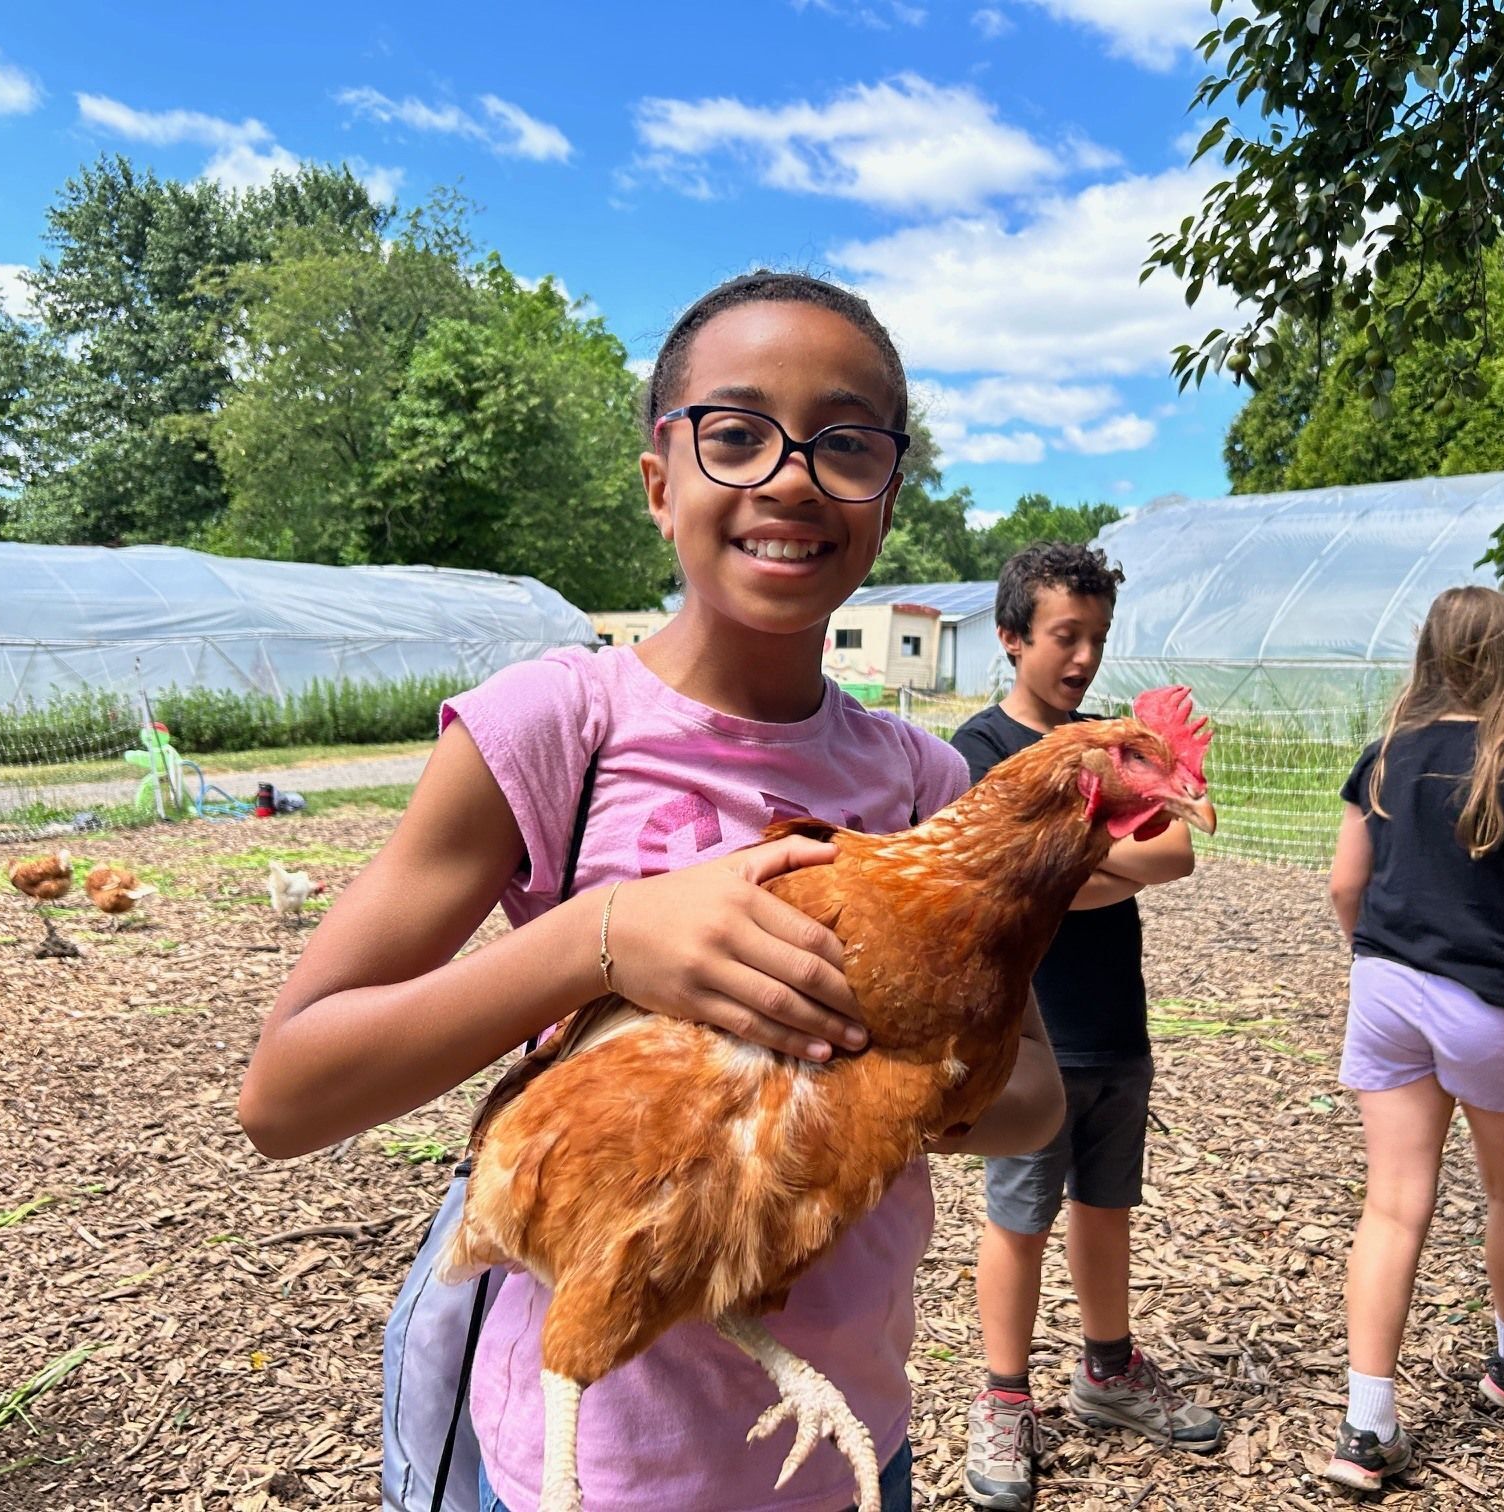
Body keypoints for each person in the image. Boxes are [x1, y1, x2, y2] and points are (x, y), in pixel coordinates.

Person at [237, 269, 1065, 1512]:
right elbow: (285, 1095)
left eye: (845, 445)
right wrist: (605, 937)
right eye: (736, 435)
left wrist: (875, 1061)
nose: (789, 476)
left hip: (844, 1442)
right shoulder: (556, 723)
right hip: (599, 1470)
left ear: (887, 499)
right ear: (657, 481)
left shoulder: (922, 775)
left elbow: (1036, 1098)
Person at [950, 543, 1222, 1512]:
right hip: (1030, 1036)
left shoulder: (1113, 739)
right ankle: (1004, 1397)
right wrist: (1081, 868)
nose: (1083, 657)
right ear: (1013, 635)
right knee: (1016, 1218)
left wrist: (1063, 869)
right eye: (1066, 635)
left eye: (1098, 638)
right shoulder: (978, 750)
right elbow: (1002, 888)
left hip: (1115, 1020)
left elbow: (1178, 851)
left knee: (1108, 1207)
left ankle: (1108, 1370)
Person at [1322, 585, 1504, 1494]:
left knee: (1393, 1204)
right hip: (1492, 1007)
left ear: (1431, 656)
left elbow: (1342, 885)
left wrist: (1380, 960)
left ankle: (1367, 1428)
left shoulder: (1383, 756)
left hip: (1386, 990)